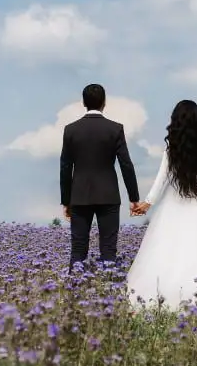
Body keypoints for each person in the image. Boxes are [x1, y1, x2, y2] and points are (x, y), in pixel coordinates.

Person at [125, 59, 197, 309]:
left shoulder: (172, 147)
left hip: (174, 203)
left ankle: (165, 298)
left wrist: (147, 203)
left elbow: (162, 178)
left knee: (169, 249)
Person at [60, 83, 142, 271]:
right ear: (104, 102)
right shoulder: (115, 129)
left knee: (78, 249)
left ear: (83, 102)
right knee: (108, 248)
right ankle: (109, 292)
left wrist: (66, 200)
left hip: (79, 196)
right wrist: (134, 198)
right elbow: (126, 164)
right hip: (108, 196)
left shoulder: (71, 130)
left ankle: (76, 291)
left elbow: (65, 167)